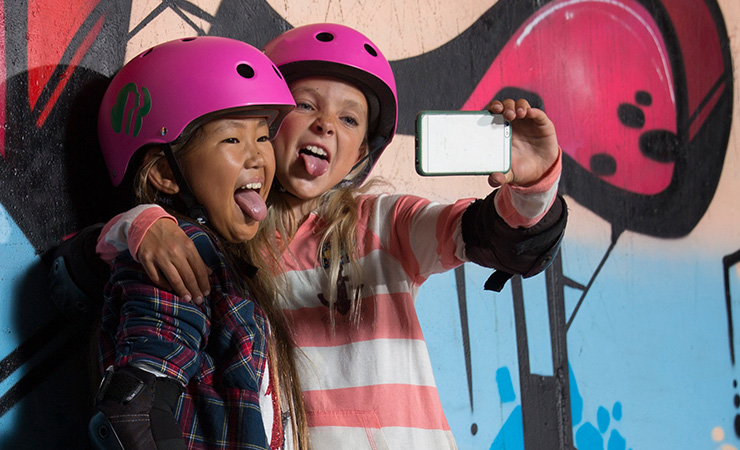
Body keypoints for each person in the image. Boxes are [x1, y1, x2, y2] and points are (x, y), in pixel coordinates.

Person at [81, 24, 568, 449]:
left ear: (359, 154)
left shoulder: (384, 223)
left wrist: (532, 184)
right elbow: (90, 264)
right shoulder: (232, 247)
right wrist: (143, 221)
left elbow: (498, 239)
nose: (325, 125)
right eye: (305, 104)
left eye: (349, 119)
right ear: (266, 121)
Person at [83, 36, 308, 450]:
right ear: (166, 174)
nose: (258, 156)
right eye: (232, 140)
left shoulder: (226, 261)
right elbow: (134, 417)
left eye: (262, 136)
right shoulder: (180, 251)